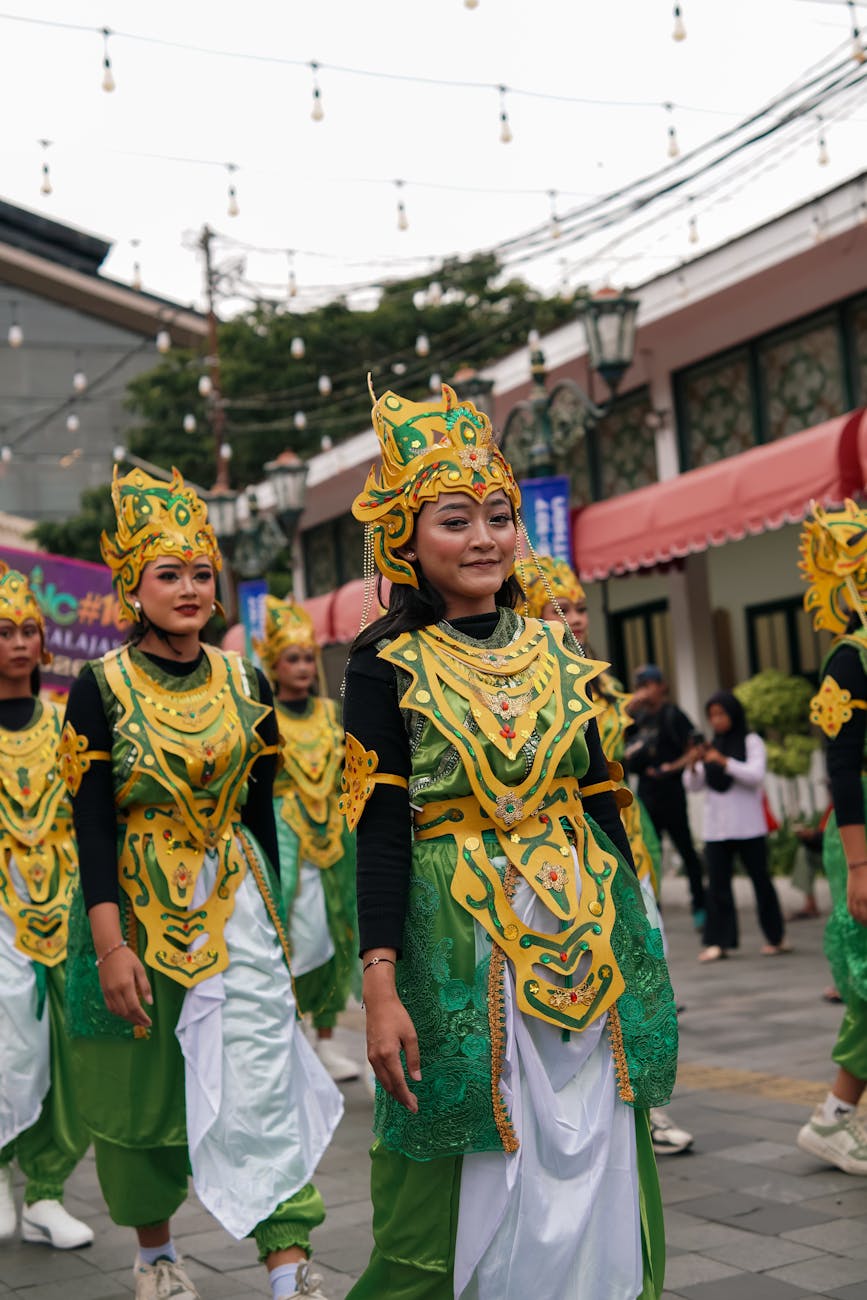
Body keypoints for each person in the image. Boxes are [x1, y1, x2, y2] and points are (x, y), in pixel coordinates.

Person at [341, 382, 678, 1299]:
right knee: (456, 1172)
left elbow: (602, 795)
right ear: (403, 541)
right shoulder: (382, 663)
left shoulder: (557, 650)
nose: (484, 537)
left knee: (603, 1146)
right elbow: (377, 827)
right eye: (455, 520)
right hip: (457, 943)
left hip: (582, 926)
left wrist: (637, 924)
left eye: (499, 516)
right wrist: (378, 983)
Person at [61, 468, 343, 1300]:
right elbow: (93, 822)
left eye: (200, 574)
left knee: (259, 1070)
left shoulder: (245, 681)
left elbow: (259, 813)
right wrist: (110, 945)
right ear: (131, 587)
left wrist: (279, 936)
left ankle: (288, 1260)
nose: (189, 590)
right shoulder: (98, 687)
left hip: (237, 901)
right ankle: (154, 1254)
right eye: (168, 575)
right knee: (143, 1086)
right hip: (136, 905)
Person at [522, 555, 692, 1158]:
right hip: (556, 858)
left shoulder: (610, 688)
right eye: (557, 607)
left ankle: (651, 1102)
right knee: (587, 978)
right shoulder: (529, 687)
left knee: (645, 964)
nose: (573, 618)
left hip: (624, 841)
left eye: (579, 607)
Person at [0, 567, 93, 1250]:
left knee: (71, 1057)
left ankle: (47, 1191)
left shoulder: (68, 725)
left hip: (66, 915)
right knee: (10, 1053)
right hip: (2, 920)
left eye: (28, 629)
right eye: (4, 632)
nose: (19, 643)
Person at [254, 595, 360, 1082]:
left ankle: (326, 1037)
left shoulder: (327, 711)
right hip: (287, 836)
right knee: (294, 934)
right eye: (290, 658)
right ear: (273, 665)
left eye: (306, 657)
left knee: (339, 935)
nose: (301, 667)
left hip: (335, 838)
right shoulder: (263, 714)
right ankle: (288, 1032)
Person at [795, 500, 867, 1175]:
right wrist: (858, 866)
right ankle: (833, 1116)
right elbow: (842, 770)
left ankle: (841, 1118)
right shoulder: (848, 660)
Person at [683, 692, 787, 962]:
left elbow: (755, 775)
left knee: (761, 882)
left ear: (733, 714)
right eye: (712, 716)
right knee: (717, 886)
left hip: (749, 825)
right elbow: (692, 786)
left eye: (721, 714)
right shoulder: (712, 745)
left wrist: (723, 761)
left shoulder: (750, 741)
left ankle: (776, 938)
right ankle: (719, 942)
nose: (716, 720)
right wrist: (694, 764)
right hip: (717, 829)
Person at [624, 666, 707, 929]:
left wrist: (673, 767)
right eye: (640, 684)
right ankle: (653, 910)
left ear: (661, 685)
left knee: (685, 848)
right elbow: (618, 741)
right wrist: (627, 708)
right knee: (650, 851)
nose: (645, 689)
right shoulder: (636, 716)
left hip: (670, 790)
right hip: (647, 789)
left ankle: (700, 904)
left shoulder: (673, 714)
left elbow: (696, 746)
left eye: (649, 683)